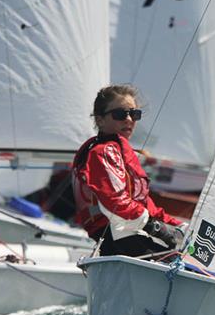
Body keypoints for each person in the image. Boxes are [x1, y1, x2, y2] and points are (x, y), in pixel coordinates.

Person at [72, 84, 184, 257]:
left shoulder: (119, 151)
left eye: (134, 114)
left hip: (130, 237)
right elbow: (116, 201)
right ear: (100, 120)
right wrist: (155, 227)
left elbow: (146, 205)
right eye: (120, 114)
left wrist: (178, 226)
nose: (129, 119)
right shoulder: (103, 152)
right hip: (121, 240)